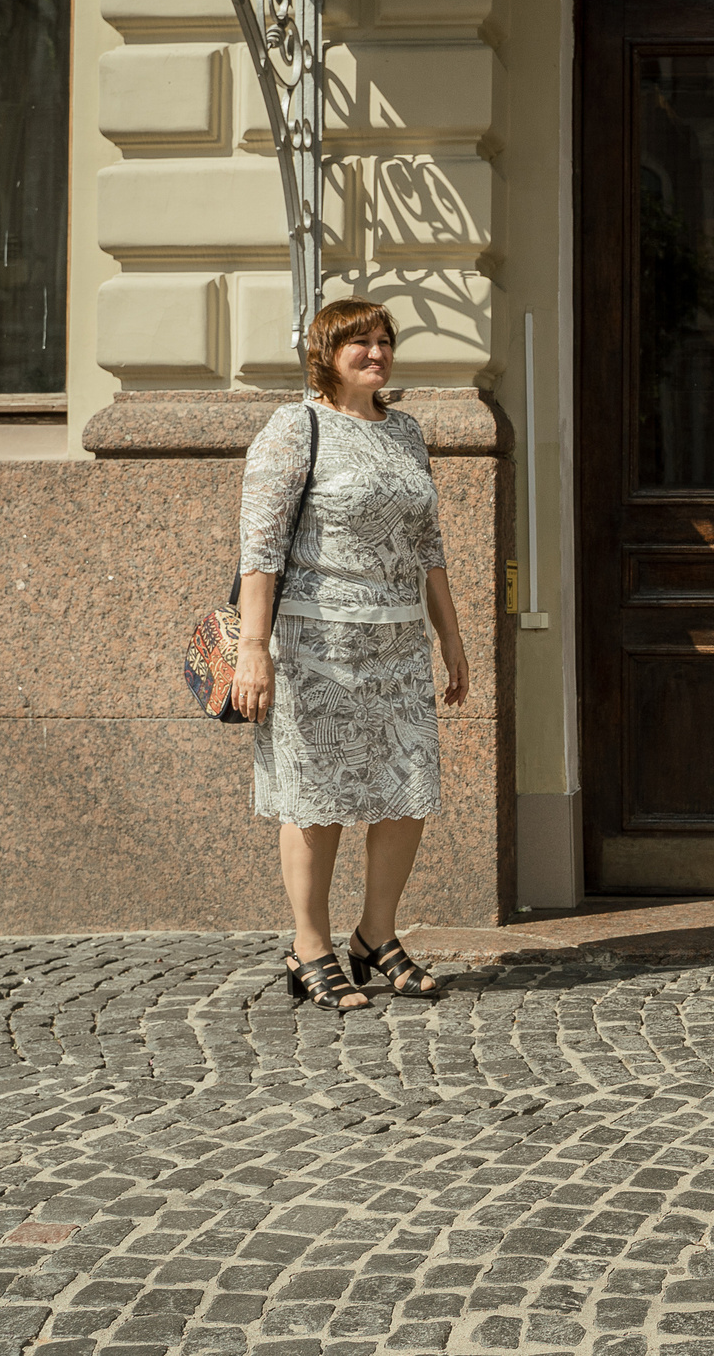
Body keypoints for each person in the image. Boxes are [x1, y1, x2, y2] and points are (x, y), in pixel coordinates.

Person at [231, 298, 473, 1013]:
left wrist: (450, 633)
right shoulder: (295, 427)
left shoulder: (406, 433)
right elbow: (261, 546)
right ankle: (310, 945)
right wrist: (253, 648)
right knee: (317, 796)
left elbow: (428, 547)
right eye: (360, 341)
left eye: (385, 340)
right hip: (315, 643)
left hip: (397, 642)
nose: (377, 352)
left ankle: (376, 934)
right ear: (326, 352)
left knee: (407, 787)